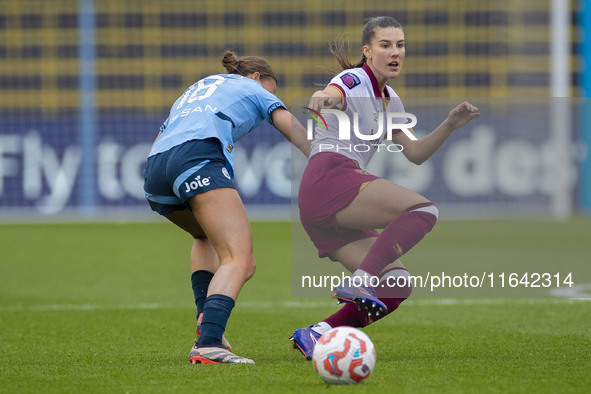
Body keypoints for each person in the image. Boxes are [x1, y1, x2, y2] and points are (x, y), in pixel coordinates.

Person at [290, 16, 480, 359]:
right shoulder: (354, 79)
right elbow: (333, 93)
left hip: (324, 200)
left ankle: (317, 334)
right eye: (385, 45)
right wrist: (324, 97)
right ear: (367, 51)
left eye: (400, 45)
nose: (395, 53)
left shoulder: (391, 99)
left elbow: (416, 153)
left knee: (396, 285)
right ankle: (360, 281)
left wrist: (450, 124)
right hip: (329, 176)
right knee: (424, 210)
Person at [144, 50, 309, 364]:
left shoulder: (197, 88)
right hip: (197, 157)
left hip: (155, 170)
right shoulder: (252, 88)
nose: (269, 99)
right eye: (271, 91)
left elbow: (159, 139)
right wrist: (320, 157)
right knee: (240, 259)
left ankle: (206, 324)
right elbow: (284, 120)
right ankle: (208, 344)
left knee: (204, 236)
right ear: (257, 78)